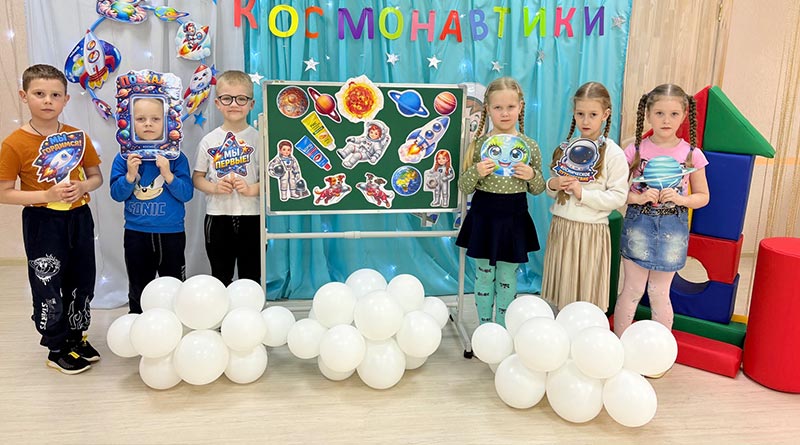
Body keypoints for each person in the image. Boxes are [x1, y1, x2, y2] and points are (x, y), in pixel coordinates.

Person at [0, 64, 103, 374]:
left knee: (82, 279)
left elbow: (96, 177)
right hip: (42, 222)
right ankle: (56, 347)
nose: (48, 100)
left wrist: (83, 186)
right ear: (24, 96)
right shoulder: (14, 143)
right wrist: (46, 195)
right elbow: (4, 192)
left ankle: (76, 336)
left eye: (55, 95)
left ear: (66, 99)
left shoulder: (77, 137)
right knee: (48, 283)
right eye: (39, 93)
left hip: (79, 218)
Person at [614, 84, 710, 341]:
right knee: (632, 289)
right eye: (659, 113)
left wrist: (681, 199)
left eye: (673, 114)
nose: (666, 120)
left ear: (684, 115)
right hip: (638, 225)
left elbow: (703, 196)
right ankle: (620, 345)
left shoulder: (692, 154)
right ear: (648, 114)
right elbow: (617, 192)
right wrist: (638, 197)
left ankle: (661, 349)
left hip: (672, 229)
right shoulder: (634, 150)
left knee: (659, 292)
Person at [456, 77, 545, 327]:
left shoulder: (529, 146)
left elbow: (538, 188)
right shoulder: (479, 145)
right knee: (484, 276)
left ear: (520, 107)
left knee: (507, 278)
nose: (504, 113)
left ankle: (504, 328)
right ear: (488, 109)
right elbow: (463, 186)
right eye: (498, 107)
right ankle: (485, 327)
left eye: (510, 107)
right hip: (484, 220)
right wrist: (476, 171)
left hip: (514, 221)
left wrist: (532, 175)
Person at [542, 82, 628, 312]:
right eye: (580, 114)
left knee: (585, 294)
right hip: (562, 227)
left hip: (590, 232)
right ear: (574, 113)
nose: (586, 121)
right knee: (562, 291)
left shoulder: (613, 153)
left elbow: (618, 196)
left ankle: (584, 327)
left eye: (593, 114)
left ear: (605, 115)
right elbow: (551, 188)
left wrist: (583, 194)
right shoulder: (567, 148)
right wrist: (553, 184)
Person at [110, 96, 193, 314]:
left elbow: (187, 194)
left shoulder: (176, 158)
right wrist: (130, 176)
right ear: (131, 122)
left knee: (174, 285)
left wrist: (167, 174)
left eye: (155, 119)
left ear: (167, 123)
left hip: (171, 233)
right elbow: (116, 194)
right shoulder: (124, 158)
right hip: (136, 233)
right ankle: (137, 320)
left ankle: (177, 320)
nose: (148, 124)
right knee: (138, 285)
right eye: (141, 119)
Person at [193, 70, 261, 286]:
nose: (234, 104)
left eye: (241, 99)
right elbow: (197, 178)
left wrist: (251, 189)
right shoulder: (209, 141)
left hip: (252, 216)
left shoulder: (260, 139)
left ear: (251, 104)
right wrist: (214, 188)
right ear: (217, 103)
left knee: (251, 275)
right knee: (220, 276)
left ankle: (250, 307)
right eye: (227, 98)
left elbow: (270, 181)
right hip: (217, 216)